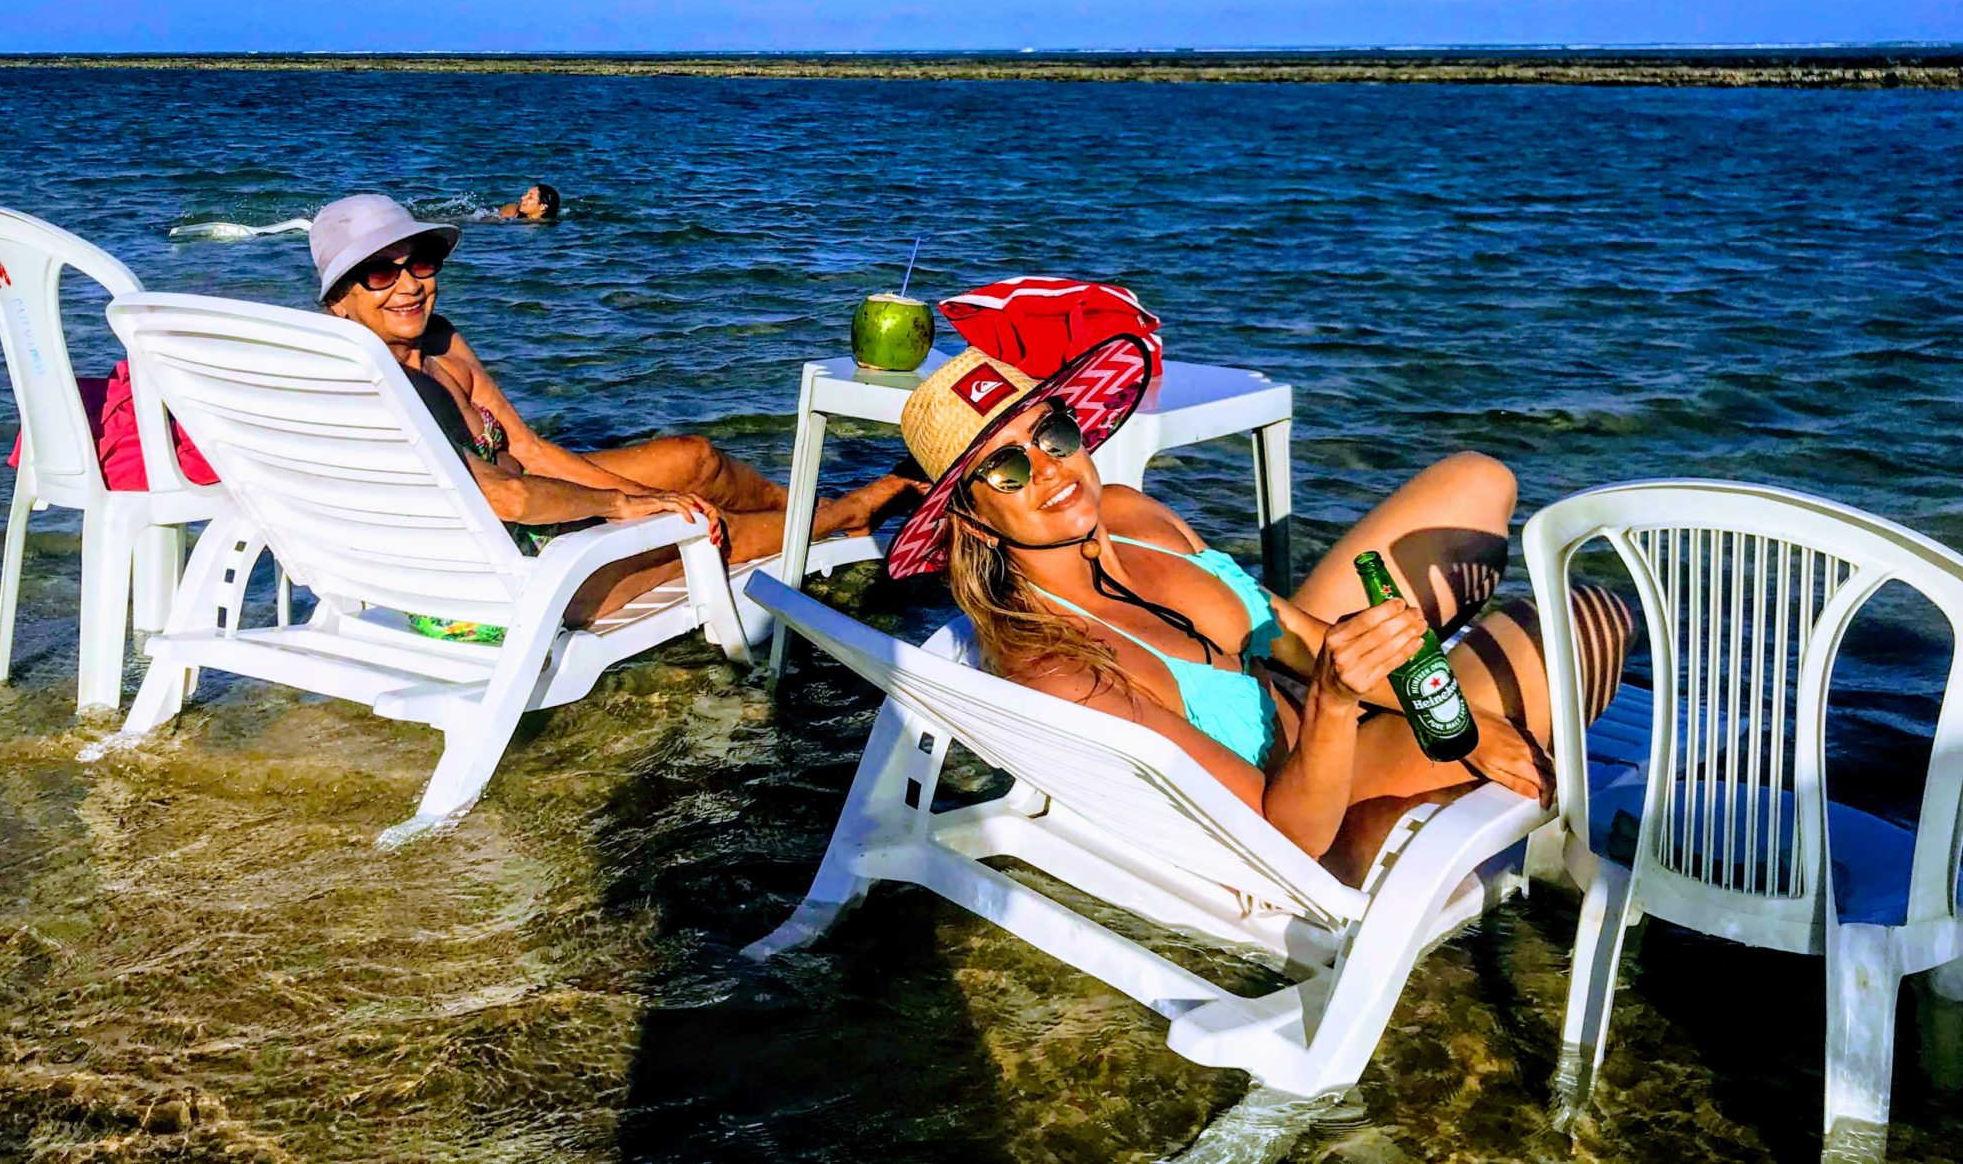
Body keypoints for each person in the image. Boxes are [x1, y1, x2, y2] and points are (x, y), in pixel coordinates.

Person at [886, 337, 1635, 885]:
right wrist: (1359, 710)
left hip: (1299, 701)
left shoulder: (1128, 512)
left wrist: (1434, 713)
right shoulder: (1059, 669)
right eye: (1007, 467)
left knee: (1477, 481)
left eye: (1050, 431)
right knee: (1591, 622)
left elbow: (1299, 638)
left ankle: (1459, 708)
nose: (1049, 470)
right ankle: (1464, 764)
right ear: (974, 516)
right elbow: (1283, 837)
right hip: (1314, 806)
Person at [311, 194, 919, 630]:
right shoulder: (382, 386)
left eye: (419, 262)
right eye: (379, 273)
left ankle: (801, 505)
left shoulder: (437, 340)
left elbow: (526, 450)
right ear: (339, 301)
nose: (409, 284)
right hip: (509, 584)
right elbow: (509, 499)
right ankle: (846, 512)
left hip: (528, 527)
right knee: (705, 533)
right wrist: (624, 506)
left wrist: (651, 496)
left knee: (693, 461)